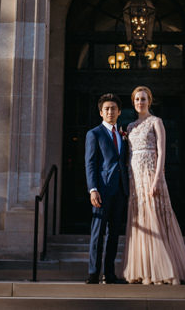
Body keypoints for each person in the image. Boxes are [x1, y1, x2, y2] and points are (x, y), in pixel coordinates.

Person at [122, 85, 185, 285]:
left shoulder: (156, 122)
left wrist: (157, 179)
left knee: (155, 218)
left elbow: (162, 152)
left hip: (151, 175)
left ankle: (162, 270)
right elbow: (129, 153)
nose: (140, 102)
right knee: (141, 222)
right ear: (133, 102)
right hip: (135, 179)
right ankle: (144, 271)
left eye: (144, 99)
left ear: (150, 100)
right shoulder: (130, 127)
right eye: (137, 99)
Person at [84, 92, 129, 284]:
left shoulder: (121, 135)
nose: (110, 112)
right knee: (98, 232)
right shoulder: (94, 134)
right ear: (101, 112)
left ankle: (109, 273)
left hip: (120, 190)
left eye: (113, 109)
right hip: (101, 191)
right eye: (107, 109)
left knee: (114, 234)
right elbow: (90, 163)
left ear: (119, 112)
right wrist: (93, 189)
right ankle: (93, 272)